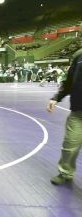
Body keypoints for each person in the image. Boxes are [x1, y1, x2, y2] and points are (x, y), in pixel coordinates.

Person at [47, 49, 82, 185]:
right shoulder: (78, 56)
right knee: (69, 145)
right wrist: (56, 97)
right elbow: (68, 82)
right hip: (78, 113)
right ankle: (65, 173)